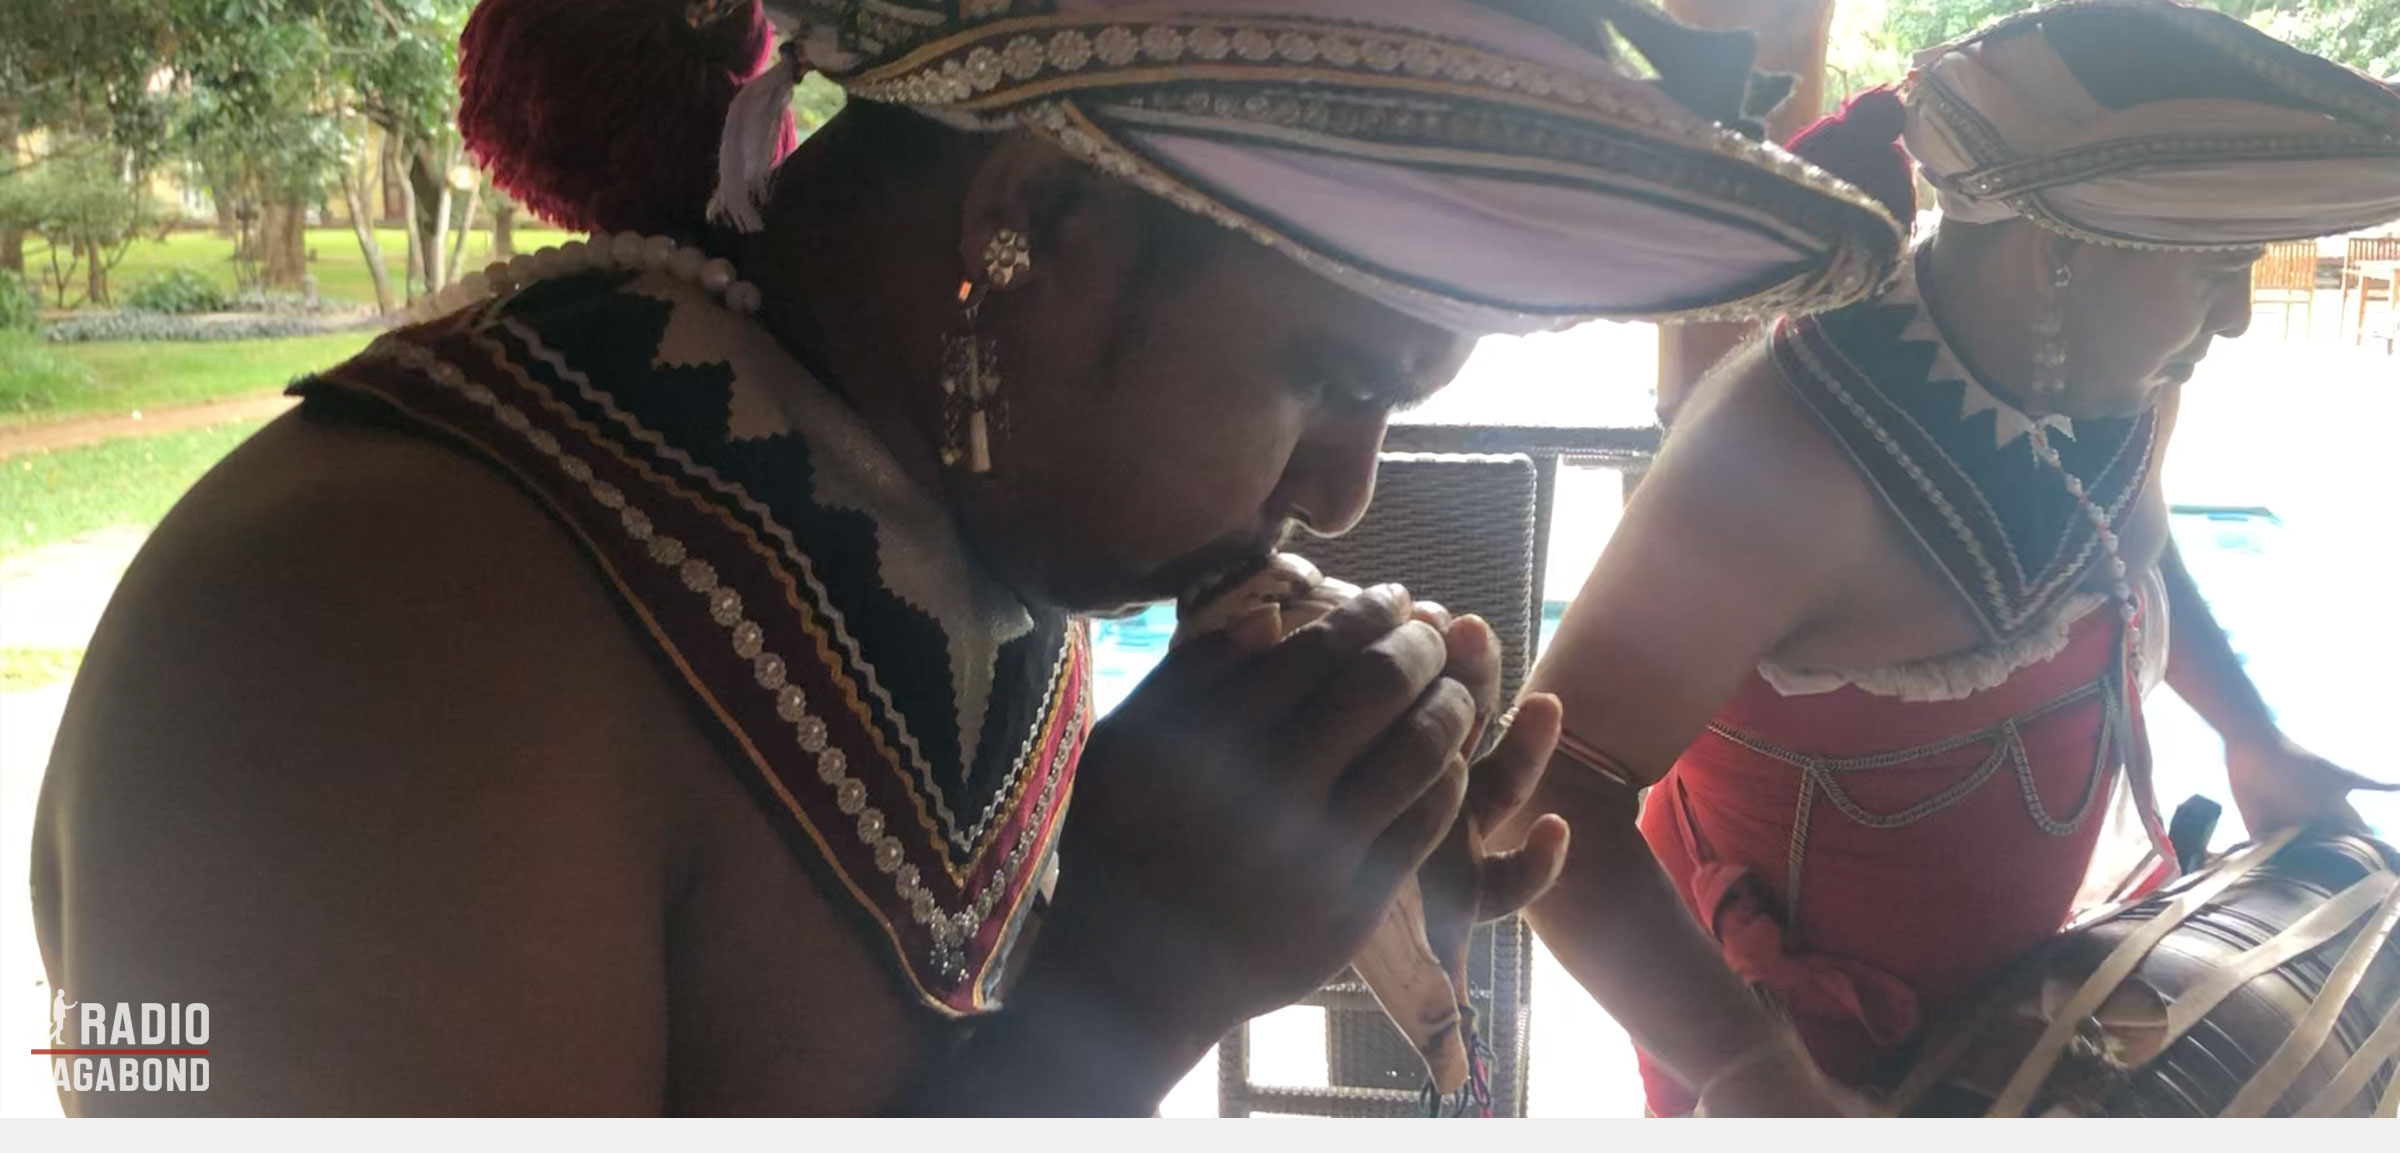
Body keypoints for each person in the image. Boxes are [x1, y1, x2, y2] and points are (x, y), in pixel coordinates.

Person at [30, 0, 1902, 1116]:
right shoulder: (367, 646)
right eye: (1331, 376)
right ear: (1030, 224)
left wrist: (1309, 798)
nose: (1344, 492)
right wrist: (1129, 982)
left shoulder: (894, 472)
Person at [1507, 0, 2400, 1118]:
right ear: (2061, 251)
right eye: (2210, 266)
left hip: (2011, 998)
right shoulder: (1782, 454)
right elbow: (1548, 784)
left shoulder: (2121, 384)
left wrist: (2249, 732)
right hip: (1782, 1046)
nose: (2235, 319)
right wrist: (1747, 1068)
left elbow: (2130, 556)